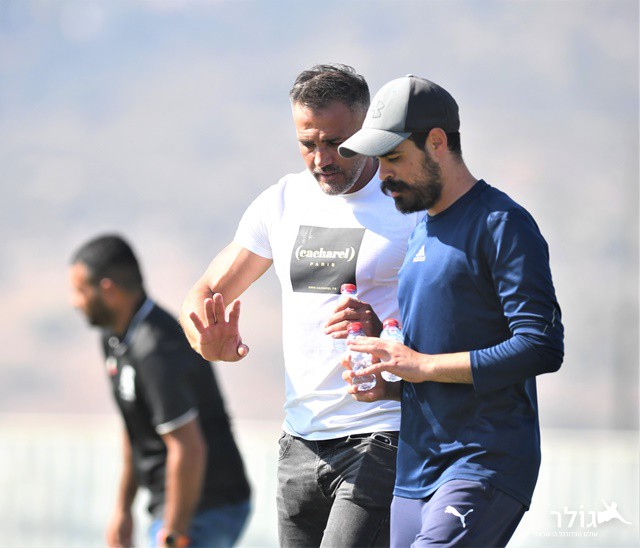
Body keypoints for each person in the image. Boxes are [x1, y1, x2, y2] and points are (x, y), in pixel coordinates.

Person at [180, 64, 420, 547]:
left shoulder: (407, 203)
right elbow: (203, 293)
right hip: (299, 442)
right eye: (307, 144)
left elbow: (454, 318)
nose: (321, 159)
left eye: (336, 143)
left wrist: (389, 335)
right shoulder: (282, 201)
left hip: (380, 435)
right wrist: (205, 342)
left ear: (367, 128)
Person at [338, 75, 564, 547]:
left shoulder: (502, 223)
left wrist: (420, 365)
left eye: (393, 158)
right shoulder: (422, 230)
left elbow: (541, 346)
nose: (382, 176)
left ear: (437, 142)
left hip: (483, 461)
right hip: (415, 472)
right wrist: (390, 372)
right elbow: (434, 354)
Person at [69, 234, 251, 548]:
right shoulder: (115, 339)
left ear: (108, 290)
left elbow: (188, 447)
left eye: (80, 291)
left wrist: (175, 535)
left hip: (208, 507)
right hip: (170, 507)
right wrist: (123, 509)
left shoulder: (156, 348)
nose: (75, 301)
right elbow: (134, 426)